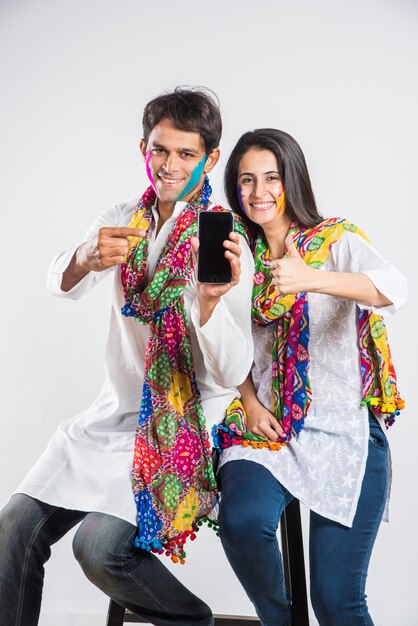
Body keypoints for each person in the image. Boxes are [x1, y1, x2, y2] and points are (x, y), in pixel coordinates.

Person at [0, 88, 254, 626]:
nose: (169, 165)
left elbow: (232, 372)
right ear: (143, 147)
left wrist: (208, 306)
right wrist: (87, 256)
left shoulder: (227, 238)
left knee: (99, 548)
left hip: (185, 419)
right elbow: (61, 284)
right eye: (160, 150)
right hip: (111, 417)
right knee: (10, 532)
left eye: (186, 154)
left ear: (210, 158)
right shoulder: (121, 218)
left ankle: (193, 620)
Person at [215, 128, 408, 626]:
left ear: (292, 179)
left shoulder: (335, 239)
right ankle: (283, 621)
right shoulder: (236, 253)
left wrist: (310, 278)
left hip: (345, 429)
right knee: (243, 522)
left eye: (272, 178)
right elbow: (226, 340)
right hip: (269, 426)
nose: (259, 193)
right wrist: (251, 403)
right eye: (246, 180)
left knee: (337, 602)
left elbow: (394, 288)